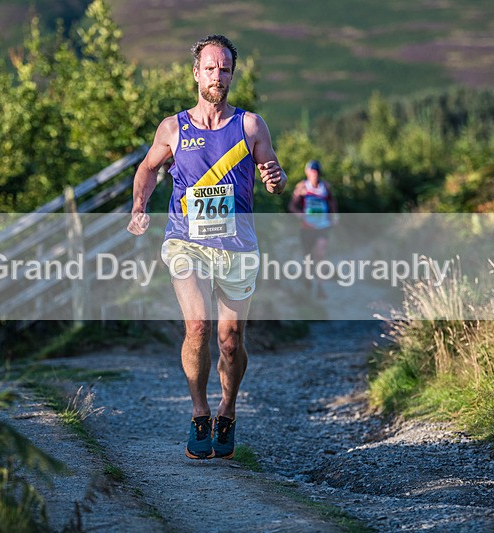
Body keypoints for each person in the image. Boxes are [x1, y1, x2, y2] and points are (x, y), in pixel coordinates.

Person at [126, 35, 287, 460]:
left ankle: (227, 410)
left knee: (230, 339)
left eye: (226, 69)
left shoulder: (251, 125)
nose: (218, 75)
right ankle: (199, 413)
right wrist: (140, 205)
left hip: (237, 246)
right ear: (196, 72)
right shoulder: (173, 127)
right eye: (211, 68)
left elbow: (275, 172)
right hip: (186, 243)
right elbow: (146, 169)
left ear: (233, 74)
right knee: (197, 326)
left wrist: (275, 179)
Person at [287, 160, 338, 298]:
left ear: (319, 173)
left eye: (316, 172)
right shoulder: (302, 186)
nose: (314, 175)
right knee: (307, 257)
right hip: (307, 227)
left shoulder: (325, 186)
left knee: (320, 254)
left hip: (323, 226)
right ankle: (307, 280)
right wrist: (300, 215)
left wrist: (335, 216)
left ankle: (320, 287)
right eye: (311, 172)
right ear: (307, 173)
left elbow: (332, 201)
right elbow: (292, 206)